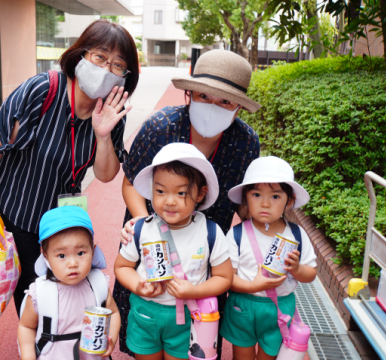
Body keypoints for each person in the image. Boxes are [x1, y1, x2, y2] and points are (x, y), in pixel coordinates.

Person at [0, 19, 139, 316]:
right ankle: (34, 343)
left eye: (118, 65)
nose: (106, 69)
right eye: (100, 57)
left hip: (63, 222)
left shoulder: (112, 112)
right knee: (32, 294)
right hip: (20, 213)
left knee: (66, 289)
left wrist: (102, 134)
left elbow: (105, 174)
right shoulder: (43, 90)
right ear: (81, 55)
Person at [114, 49, 261, 357]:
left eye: (225, 101)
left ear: (238, 108)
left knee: (196, 337)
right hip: (151, 234)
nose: (213, 106)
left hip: (204, 248)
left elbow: (245, 201)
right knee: (145, 320)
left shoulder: (245, 142)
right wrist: (144, 224)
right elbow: (130, 183)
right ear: (190, 93)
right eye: (204, 96)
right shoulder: (160, 127)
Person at [114, 143, 233, 360]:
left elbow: (225, 277)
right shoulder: (141, 228)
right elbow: (122, 266)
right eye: (160, 191)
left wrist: (195, 291)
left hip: (188, 318)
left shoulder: (210, 232)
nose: (169, 201)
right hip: (145, 314)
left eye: (181, 192)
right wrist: (137, 286)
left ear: (201, 193)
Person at [220, 156, 317, 360]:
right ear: (246, 198)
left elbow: (311, 273)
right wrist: (252, 286)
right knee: (242, 356)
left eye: (275, 196)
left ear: (289, 201)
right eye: (256, 194)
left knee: (270, 355)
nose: (265, 203)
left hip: (280, 308)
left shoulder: (296, 235)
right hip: (243, 304)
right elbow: (227, 278)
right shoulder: (237, 235)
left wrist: (298, 269)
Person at [17, 206, 120, 360]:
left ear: (93, 249)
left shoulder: (98, 284)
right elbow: (26, 327)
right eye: (61, 255)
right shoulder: (40, 293)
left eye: (80, 253)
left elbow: (113, 312)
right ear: (45, 255)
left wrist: (111, 338)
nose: (72, 263)